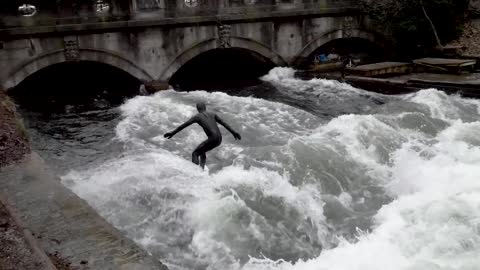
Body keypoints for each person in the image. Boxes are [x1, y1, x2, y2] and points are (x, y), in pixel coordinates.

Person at [164, 103, 241, 169]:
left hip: (212, 138)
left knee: (195, 154)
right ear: (205, 108)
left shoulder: (197, 117)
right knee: (202, 151)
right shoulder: (212, 114)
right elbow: (224, 123)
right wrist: (234, 132)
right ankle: (201, 169)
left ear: (197, 109)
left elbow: (183, 126)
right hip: (219, 138)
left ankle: (195, 173)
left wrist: (172, 133)